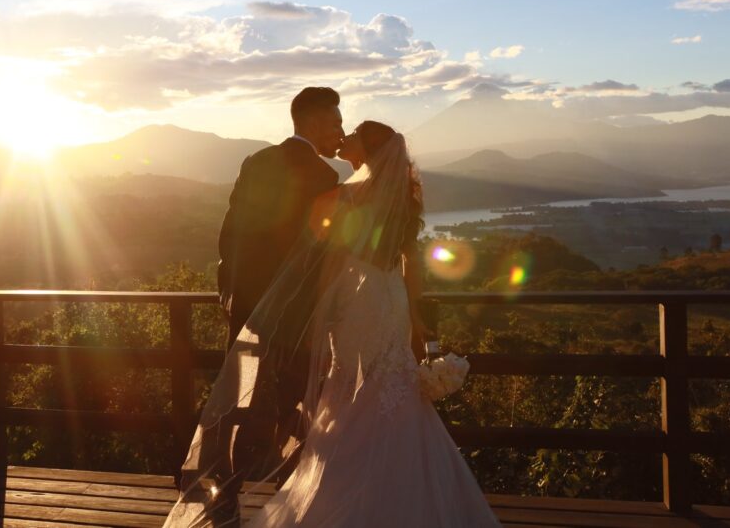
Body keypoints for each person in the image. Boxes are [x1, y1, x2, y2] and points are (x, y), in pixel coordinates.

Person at [165, 120, 500, 527]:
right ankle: (398, 490)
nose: (346, 136)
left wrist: (323, 310)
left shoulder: (342, 196)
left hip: (355, 297)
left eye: (355, 133)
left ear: (367, 151)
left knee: (347, 386)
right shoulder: (402, 197)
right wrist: (413, 312)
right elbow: (411, 262)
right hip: (391, 298)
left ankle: (351, 490)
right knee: (390, 382)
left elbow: (327, 260)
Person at [200, 87, 344, 522]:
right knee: (291, 402)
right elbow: (319, 255)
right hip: (295, 317)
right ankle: (292, 495)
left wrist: (232, 290)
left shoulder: (255, 162)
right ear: (314, 123)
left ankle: (223, 490)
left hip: (246, 306)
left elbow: (231, 234)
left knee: (236, 399)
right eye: (336, 122)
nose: (340, 131)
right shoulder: (324, 178)